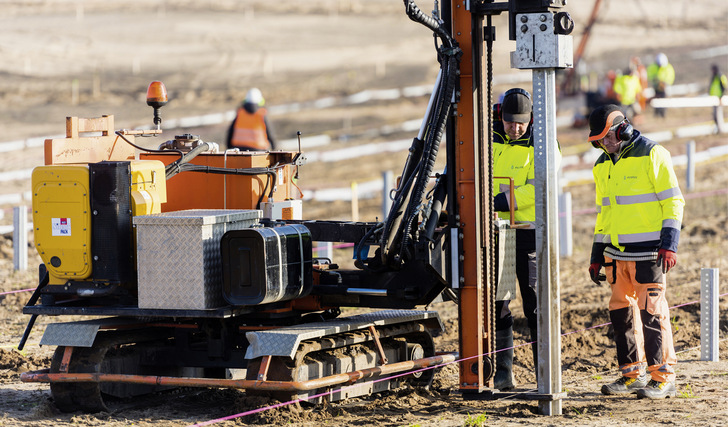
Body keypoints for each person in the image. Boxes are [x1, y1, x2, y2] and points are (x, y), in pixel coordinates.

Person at [587, 104, 684, 399]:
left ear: (623, 128)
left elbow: (673, 202)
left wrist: (669, 244)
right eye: (599, 140)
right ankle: (632, 374)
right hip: (616, 257)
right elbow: (605, 214)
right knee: (621, 315)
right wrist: (596, 254)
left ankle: (663, 377)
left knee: (652, 314)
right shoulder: (602, 166)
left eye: (607, 137)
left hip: (650, 254)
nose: (604, 144)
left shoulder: (653, 154)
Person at [491, 88, 560, 390]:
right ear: (500, 116)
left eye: (520, 123)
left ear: (531, 119)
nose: (514, 128)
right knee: (499, 305)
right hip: (498, 235)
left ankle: (543, 376)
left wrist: (498, 201)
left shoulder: (543, 143)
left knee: (535, 307)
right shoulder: (487, 138)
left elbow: (540, 186)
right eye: (509, 122)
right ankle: (504, 374)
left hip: (530, 235)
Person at [646, 53, 675, 118]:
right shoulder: (652, 67)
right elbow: (650, 75)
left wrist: (665, 83)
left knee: (664, 99)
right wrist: (656, 81)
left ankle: (663, 113)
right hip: (656, 86)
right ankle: (657, 113)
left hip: (664, 87)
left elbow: (670, 77)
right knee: (656, 98)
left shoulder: (668, 68)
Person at [709, 64, 727, 134]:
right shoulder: (714, 77)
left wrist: (721, 97)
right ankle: (718, 128)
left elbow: (724, 87)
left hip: (719, 99)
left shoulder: (720, 76)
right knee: (715, 115)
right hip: (714, 99)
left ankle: (720, 129)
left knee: (718, 114)